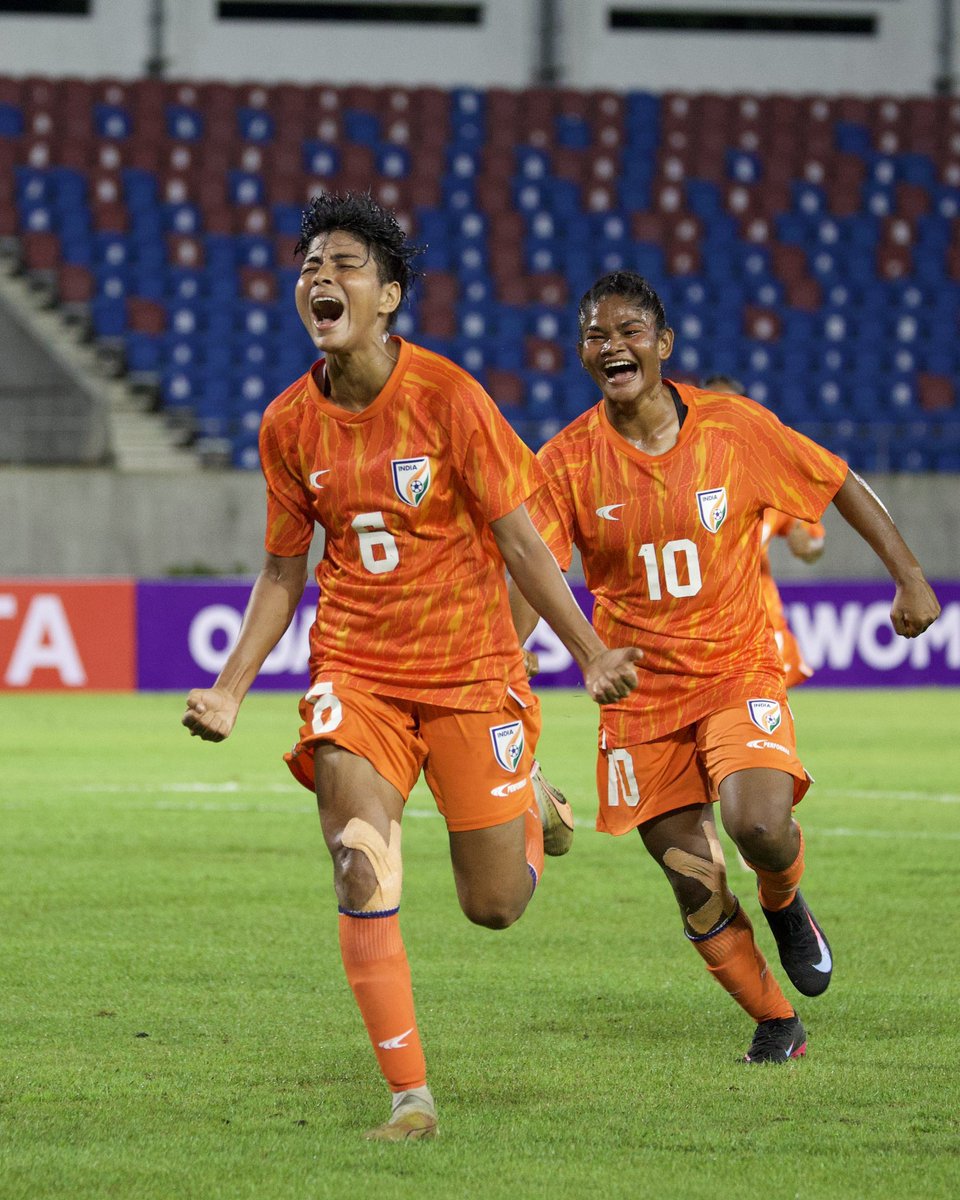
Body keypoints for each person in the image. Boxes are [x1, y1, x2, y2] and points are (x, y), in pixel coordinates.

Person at [181, 193, 640, 1141]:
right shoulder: (286, 427)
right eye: (311, 264)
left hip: (474, 674)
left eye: (345, 264)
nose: (321, 277)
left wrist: (589, 652)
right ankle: (411, 1098)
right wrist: (232, 688)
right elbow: (281, 572)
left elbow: (521, 543)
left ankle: (531, 804)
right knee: (358, 856)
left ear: (388, 296)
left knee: (495, 907)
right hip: (356, 670)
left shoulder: (449, 398)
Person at [511, 271, 940, 1064]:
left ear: (664, 345)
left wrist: (909, 574)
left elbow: (837, 479)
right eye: (597, 335)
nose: (614, 346)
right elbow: (531, 572)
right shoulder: (566, 461)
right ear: (581, 354)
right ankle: (777, 1022)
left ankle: (785, 902)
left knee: (758, 824)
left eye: (631, 330)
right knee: (692, 878)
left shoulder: (733, 427)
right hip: (639, 699)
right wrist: (515, 670)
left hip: (736, 666)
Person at [703, 374, 825, 687]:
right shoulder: (677, 477)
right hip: (700, 630)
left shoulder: (772, 478)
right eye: (711, 406)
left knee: (763, 724)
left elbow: (813, 543)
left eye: (730, 406)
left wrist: (807, 547)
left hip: (762, 626)